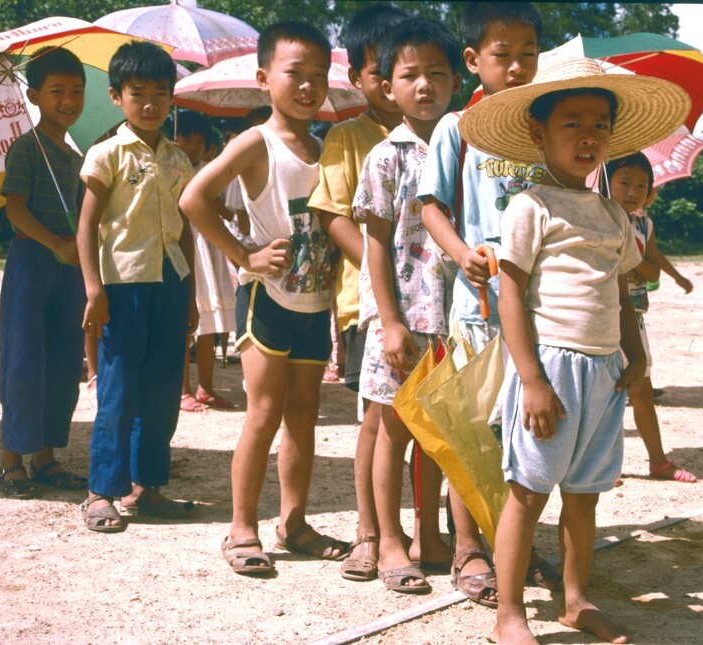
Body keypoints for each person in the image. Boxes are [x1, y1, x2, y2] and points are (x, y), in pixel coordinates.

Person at [457, 56, 691, 643]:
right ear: (538, 133)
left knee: (585, 494)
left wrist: (636, 358)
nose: (589, 136)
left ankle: (576, 600)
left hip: (606, 371)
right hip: (551, 369)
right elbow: (509, 294)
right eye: (572, 123)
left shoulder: (616, 213)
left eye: (600, 125)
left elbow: (621, 290)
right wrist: (530, 378)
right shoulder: (529, 207)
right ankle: (508, 614)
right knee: (529, 491)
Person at [180, 21, 345, 577]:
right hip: (267, 300)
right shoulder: (254, 142)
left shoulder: (327, 148)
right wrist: (242, 255)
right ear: (263, 78)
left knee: (304, 416)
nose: (307, 86)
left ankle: (294, 523)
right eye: (294, 74)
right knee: (264, 413)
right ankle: (242, 528)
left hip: (316, 303)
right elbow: (194, 198)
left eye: (318, 76)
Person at [418, 1, 562, 595]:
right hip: (477, 307)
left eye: (530, 55)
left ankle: (518, 545)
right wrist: (462, 254)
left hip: (540, 308)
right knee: (474, 433)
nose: (520, 67)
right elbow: (431, 207)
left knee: (523, 433)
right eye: (505, 56)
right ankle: (469, 548)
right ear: (475, 60)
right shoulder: (456, 126)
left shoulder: (548, 125)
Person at [351, 18, 462, 596]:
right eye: (409, 75)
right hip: (401, 319)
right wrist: (390, 321)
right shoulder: (385, 157)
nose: (424, 85)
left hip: (456, 317)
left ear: (457, 78)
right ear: (388, 86)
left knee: (441, 432)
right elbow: (373, 241)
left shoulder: (469, 148)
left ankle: (431, 536)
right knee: (392, 427)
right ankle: (389, 540)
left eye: (436, 73)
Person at [307, 4, 410, 583]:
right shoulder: (348, 136)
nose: (397, 83)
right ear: (359, 79)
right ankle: (369, 533)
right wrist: (388, 272)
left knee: (419, 424)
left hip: (429, 305)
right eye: (381, 72)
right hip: (370, 305)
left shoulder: (439, 133)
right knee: (375, 419)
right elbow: (334, 215)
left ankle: (418, 531)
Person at [77, 40, 198, 533]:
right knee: (119, 388)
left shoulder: (178, 161)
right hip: (122, 284)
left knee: (162, 390)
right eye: (138, 92)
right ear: (116, 96)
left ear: (172, 98)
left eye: (161, 93)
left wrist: (191, 300)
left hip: (170, 284)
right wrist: (93, 289)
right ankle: (101, 491)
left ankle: (148, 488)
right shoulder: (106, 154)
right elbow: (87, 226)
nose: (151, 103)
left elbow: (187, 232)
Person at [0, 47, 89, 500]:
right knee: (24, 362)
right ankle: (11, 461)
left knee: (64, 361)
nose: (68, 100)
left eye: (76, 91)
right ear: (34, 95)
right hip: (32, 262)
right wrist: (55, 243)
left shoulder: (77, 159)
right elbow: (14, 211)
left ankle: (45, 456)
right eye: (57, 91)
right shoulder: (25, 149)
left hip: (68, 270)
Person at [603, 153, 696, 483]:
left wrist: (676, 276)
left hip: (634, 317)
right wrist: (639, 265)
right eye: (624, 182)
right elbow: (644, 267)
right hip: (602, 319)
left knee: (640, 391)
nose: (633, 191)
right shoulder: (598, 217)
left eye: (641, 185)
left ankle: (658, 462)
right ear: (605, 182)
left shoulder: (643, 224)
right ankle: (601, 465)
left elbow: (652, 266)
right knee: (604, 392)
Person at [175, 110, 237, 412]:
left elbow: (221, 208)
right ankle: (183, 389)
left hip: (209, 249)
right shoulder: (172, 166)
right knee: (185, 322)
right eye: (187, 137)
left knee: (209, 322)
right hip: (187, 248)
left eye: (200, 140)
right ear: (176, 136)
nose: (193, 146)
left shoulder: (208, 170)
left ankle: (206, 387)